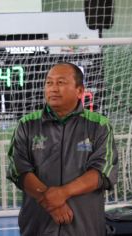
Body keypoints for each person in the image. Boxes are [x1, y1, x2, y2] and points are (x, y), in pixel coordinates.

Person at [7, 62, 118, 236]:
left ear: (80, 91)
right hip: (37, 226)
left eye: (60, 82)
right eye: (49, 83)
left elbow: (102, 172)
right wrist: (50, 202)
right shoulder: (27, 125)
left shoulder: (99, 125)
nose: (53, 88)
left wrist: (63, 193)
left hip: (85, 227)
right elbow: (18, 170)